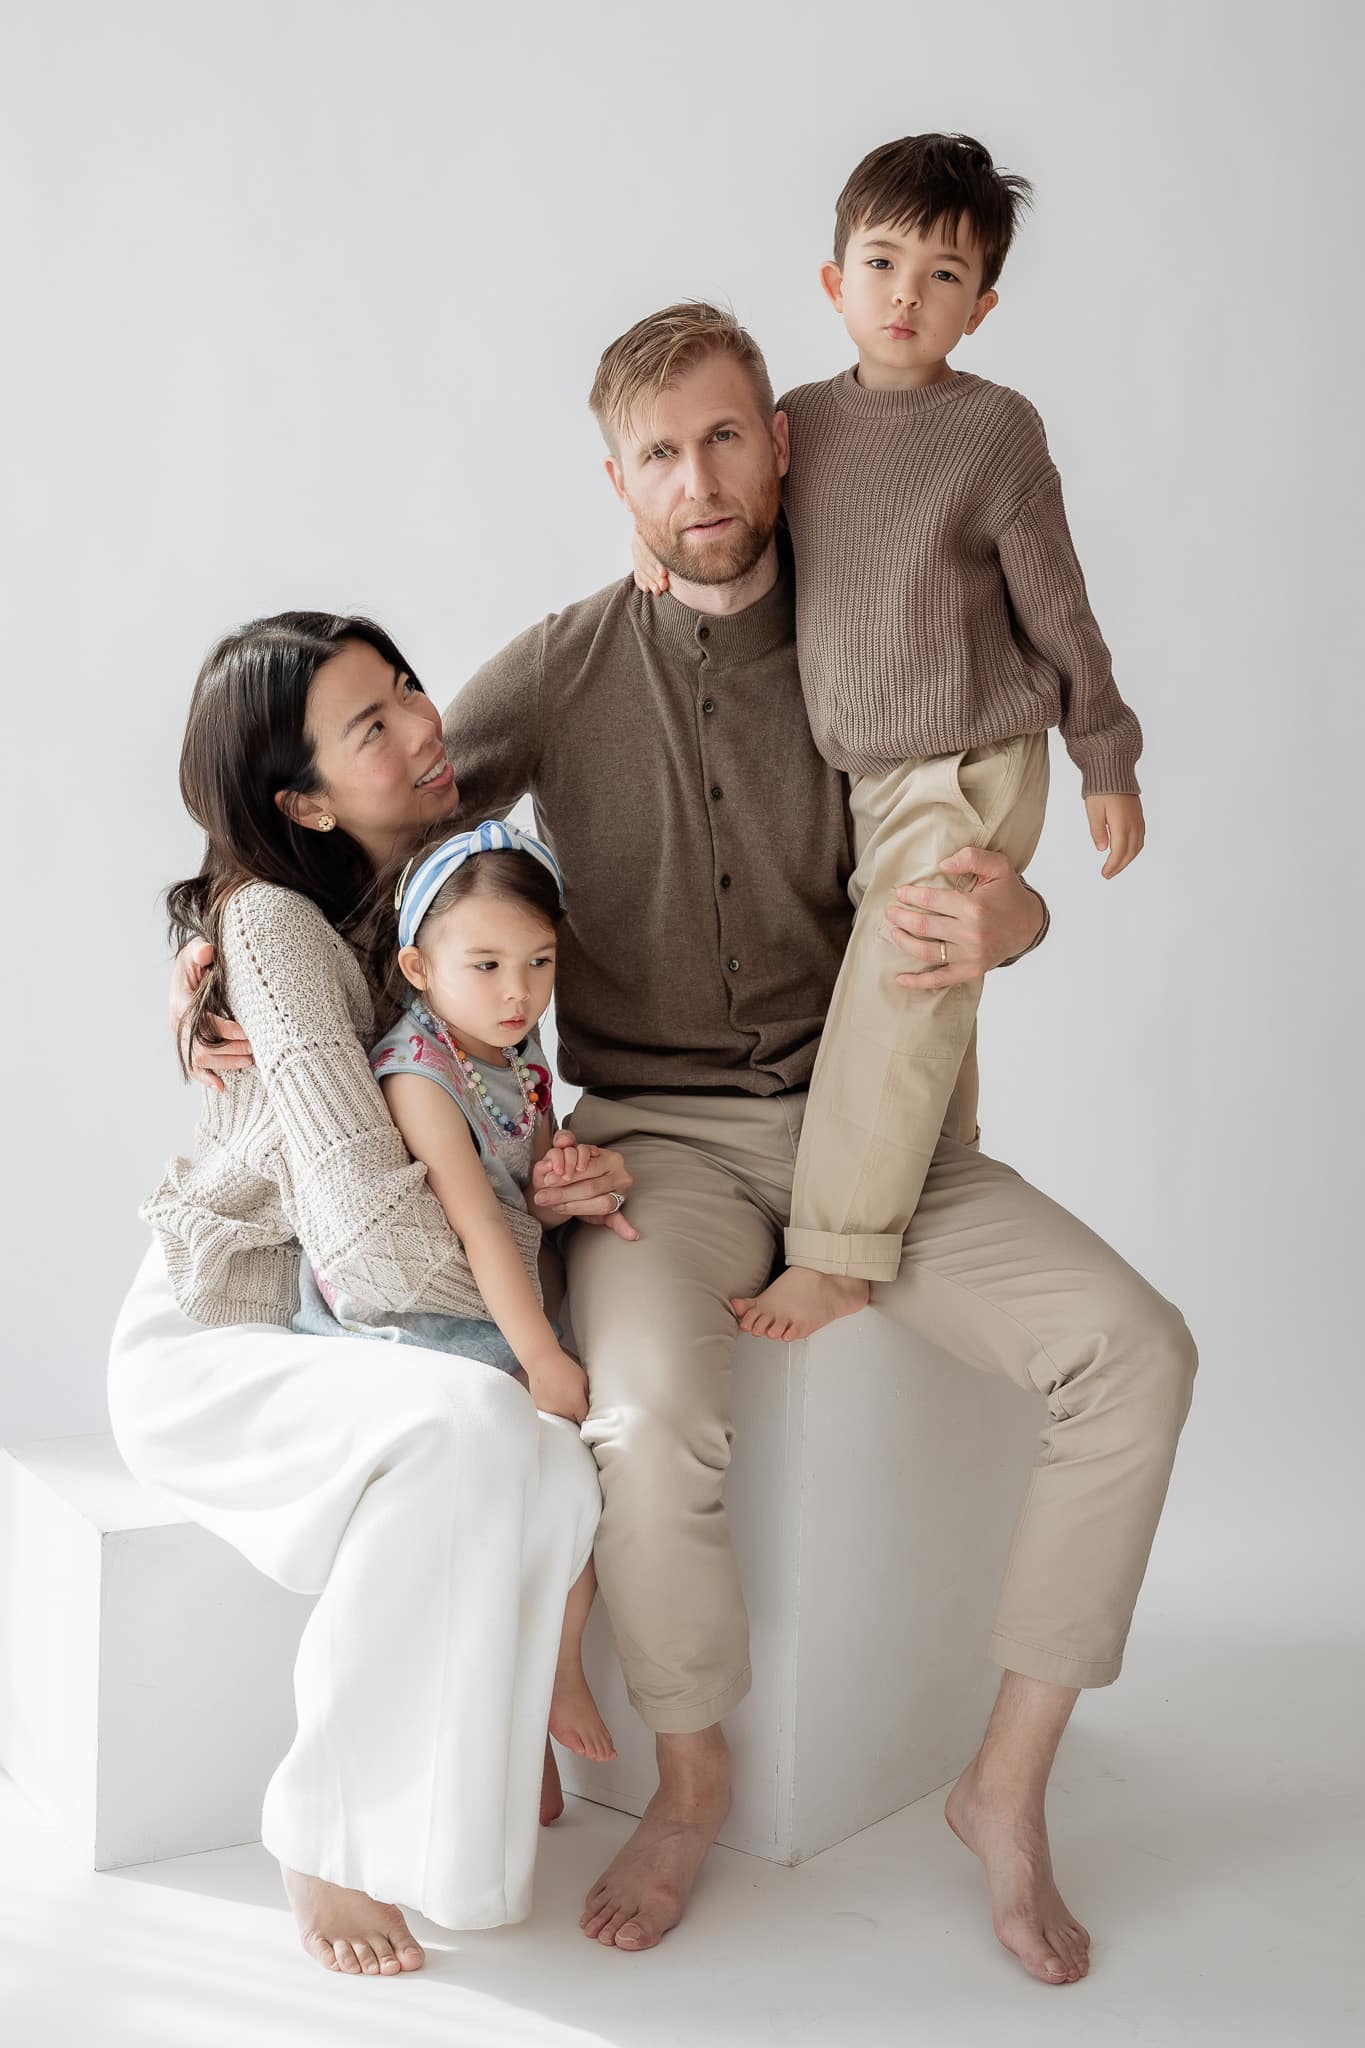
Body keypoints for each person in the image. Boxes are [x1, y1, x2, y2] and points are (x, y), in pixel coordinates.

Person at [182, 313, 1196, 1986]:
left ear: (780, 445)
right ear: (617, 482)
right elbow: (389, 827)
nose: (698, 480)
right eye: (659, 453)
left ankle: (1007, 1789)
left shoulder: (884, 647)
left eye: (726, 437)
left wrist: (1018, 918)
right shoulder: (563, 667)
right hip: (659, 1150)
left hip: (885, 1136)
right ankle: (692, 1772)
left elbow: (972, 848)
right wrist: (218, 937)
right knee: (647, 1424)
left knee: (1138, 1351)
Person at [111, 612, 631, 1978]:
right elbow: (371, 1242)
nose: (423, 728)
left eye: (409, 690)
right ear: (302, 801)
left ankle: (477, 1787)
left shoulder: (444, 882)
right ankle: (323, 1832)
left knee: (547, 1457)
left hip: (359, 1321)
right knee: (474, 1423)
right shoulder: (274, 922)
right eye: (372, 727)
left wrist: (545, 1193)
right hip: (230, 1327)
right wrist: (522, 1259)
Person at [632, 133, 1147, 1345]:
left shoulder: (995, 431)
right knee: (920, 991)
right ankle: (928, 1197)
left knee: (904, 977)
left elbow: (1060, 606)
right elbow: (729, 507)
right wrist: (652, 541)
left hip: (971, 754)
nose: (907, 295)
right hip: (864, 775)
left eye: (944, 275)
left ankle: (839, 1253)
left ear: (983, 307)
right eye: (882, 264)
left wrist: (1106, 753)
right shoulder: (803, 422)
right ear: (835, 281)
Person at [295, 815, 622, 1762]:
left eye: (539, 962)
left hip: (498, 1291)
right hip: (422, 1312)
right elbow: (477, 1224)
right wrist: (542, 1357)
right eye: (485, 966)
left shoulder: (513, 1050)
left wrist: (560, 1185)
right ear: (418, 967)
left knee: (578, 1482)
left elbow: (524, 1191)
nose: (518, 992)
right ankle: (528, 1702)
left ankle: (553, 1678)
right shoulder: (420, 1076)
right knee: (534, 1468)